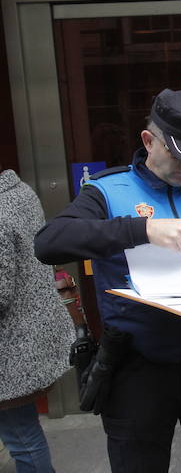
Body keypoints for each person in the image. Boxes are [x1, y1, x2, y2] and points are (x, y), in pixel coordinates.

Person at [34, 89, 181, 473]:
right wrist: (142, 229)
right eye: (178, 154)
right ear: (149, 141)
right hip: (138, 366)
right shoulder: (106, 190)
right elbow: (49, 243)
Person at [0, 167, 74, 472]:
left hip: (10, 349)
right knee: (23, 434)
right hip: (27, 335)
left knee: (22, 439)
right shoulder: (20, 192)